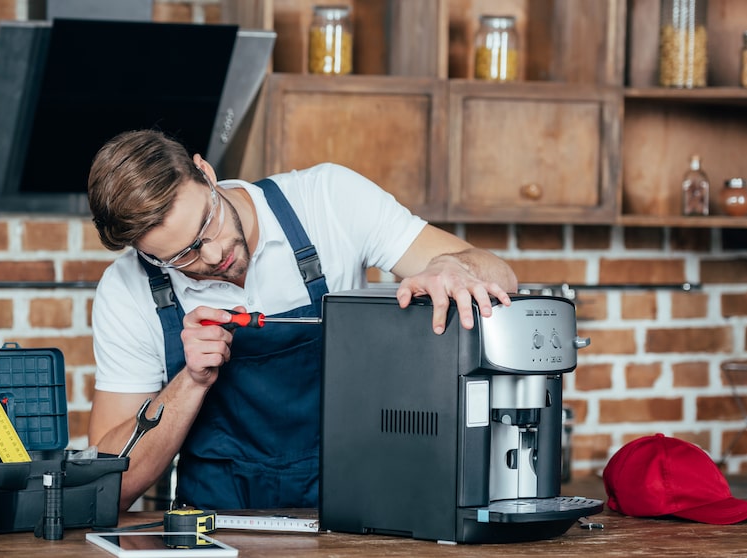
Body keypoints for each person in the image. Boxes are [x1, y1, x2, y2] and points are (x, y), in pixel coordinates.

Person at [87, 129, 518, 512]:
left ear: (206, 172)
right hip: (217, 528)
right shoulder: (128, 290)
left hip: (353, 515)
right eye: (183, 256)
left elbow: (500, 274)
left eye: (208, 223)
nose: (214, 255)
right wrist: (190, 382)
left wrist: (451, 267)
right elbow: (110, 487)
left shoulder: (327, 200)